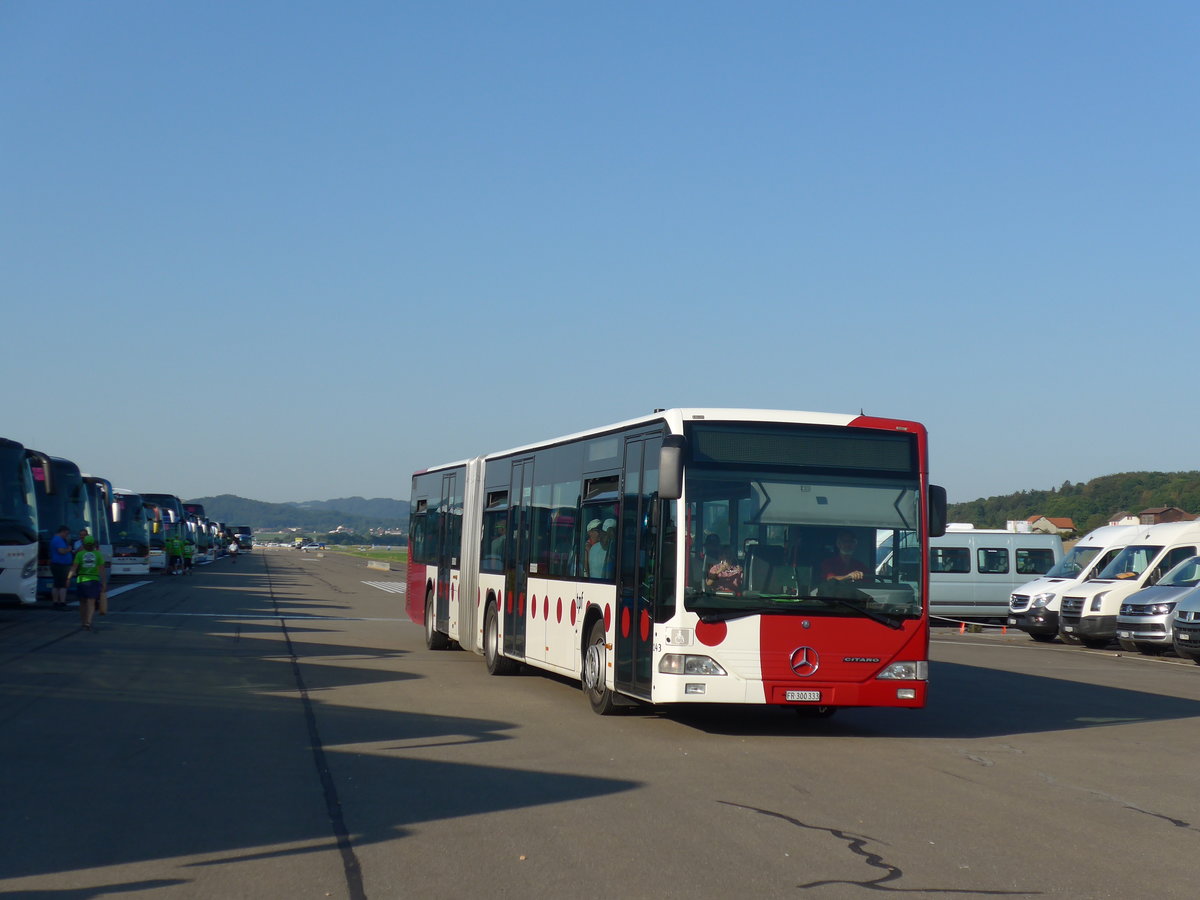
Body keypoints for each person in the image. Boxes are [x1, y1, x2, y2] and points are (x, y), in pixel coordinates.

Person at [67, 535, 107, 631]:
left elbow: (74, 568)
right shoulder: (98, 554)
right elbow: (102, 570)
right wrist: (104, 582)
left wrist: (68, 578)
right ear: (94, 545)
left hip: (81, 580)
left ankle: (83, 621)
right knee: (91, 602)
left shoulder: (79, 554)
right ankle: (89, 621)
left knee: (82, 603)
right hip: (93, 580)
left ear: (84, 544)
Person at [49, 524, 74, 608]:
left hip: (58, 564)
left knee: (57, 584)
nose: (67, 535)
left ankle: (56, 602)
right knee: (62, 584)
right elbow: (61, 551)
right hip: (61, 565)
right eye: (66, 534)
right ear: (62, 532)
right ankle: (61, 602)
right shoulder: (58, 540)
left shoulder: (56, 539)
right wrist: (69, 549)